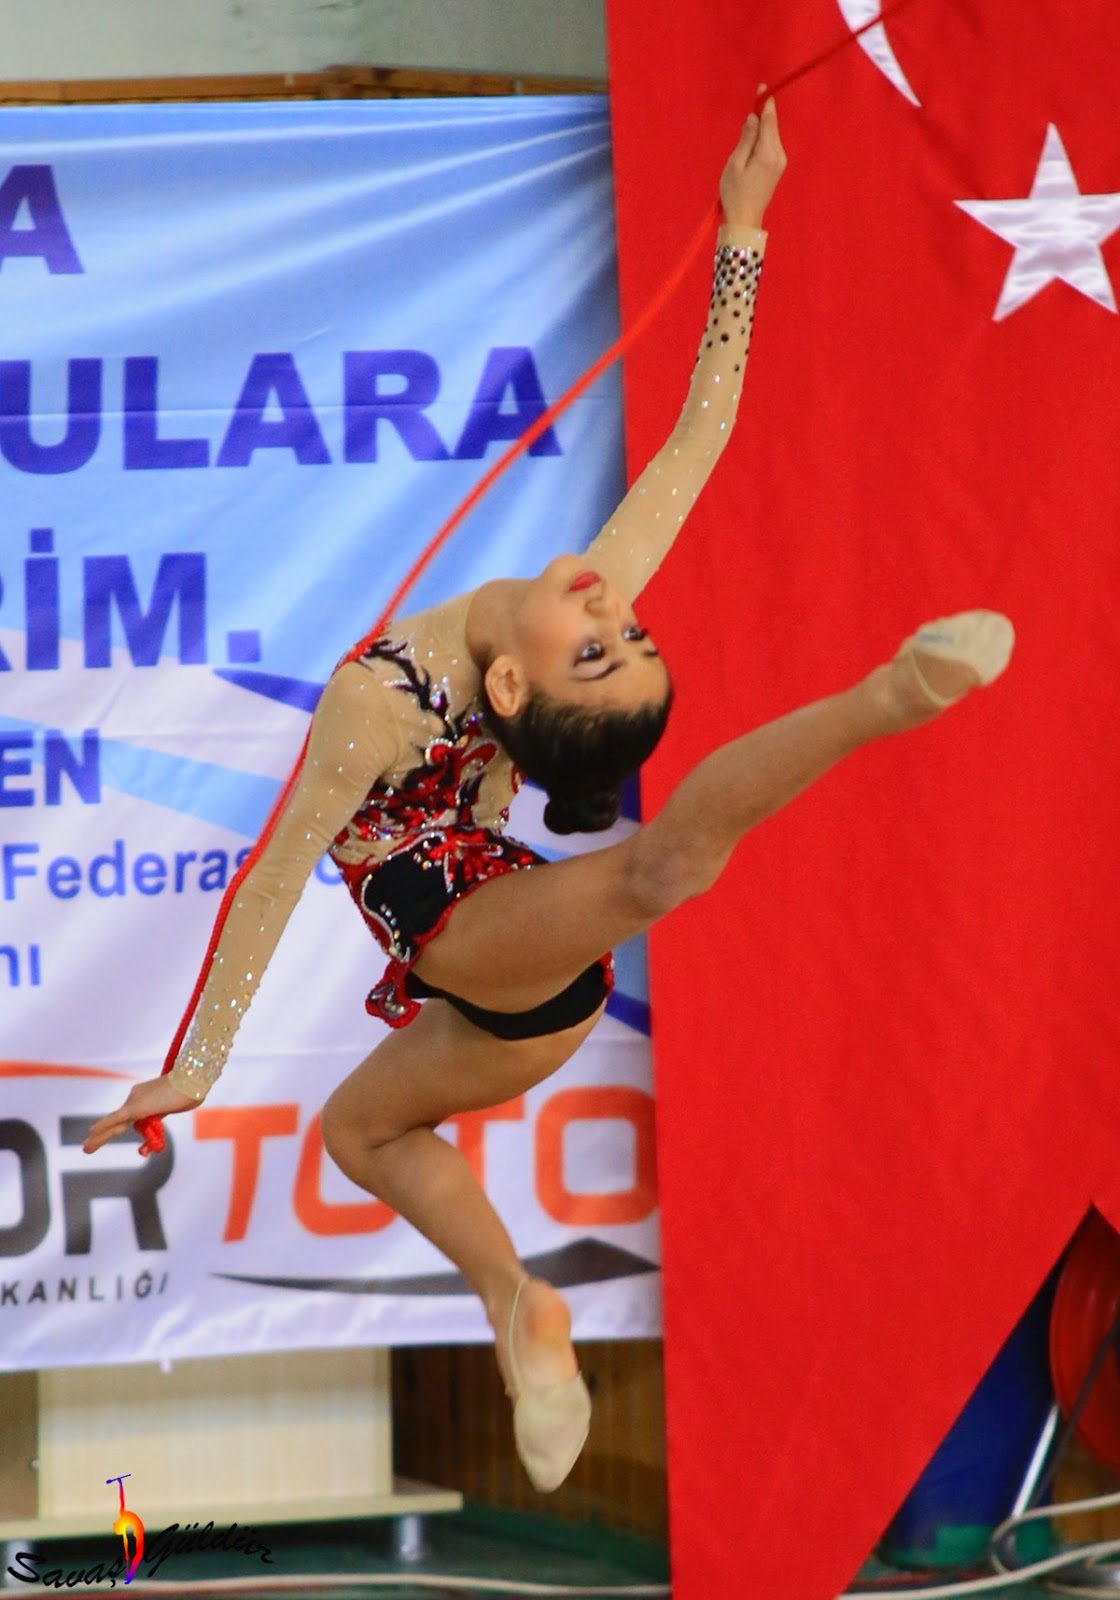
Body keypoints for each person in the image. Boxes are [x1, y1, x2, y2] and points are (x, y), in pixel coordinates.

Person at [82, 98, 1013, 1492]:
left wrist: (197, 1068)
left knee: (658, 871)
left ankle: (886, 697)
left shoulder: (378, 704)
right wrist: (745, 228)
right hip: (505, 1002)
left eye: (601, 644)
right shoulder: (538, 627)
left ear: (513, 691)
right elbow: (700, 441)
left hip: (490, 937)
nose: (608, 607)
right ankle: (520, 1305)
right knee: (359, 1133)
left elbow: (275, 878)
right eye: (625, 636)